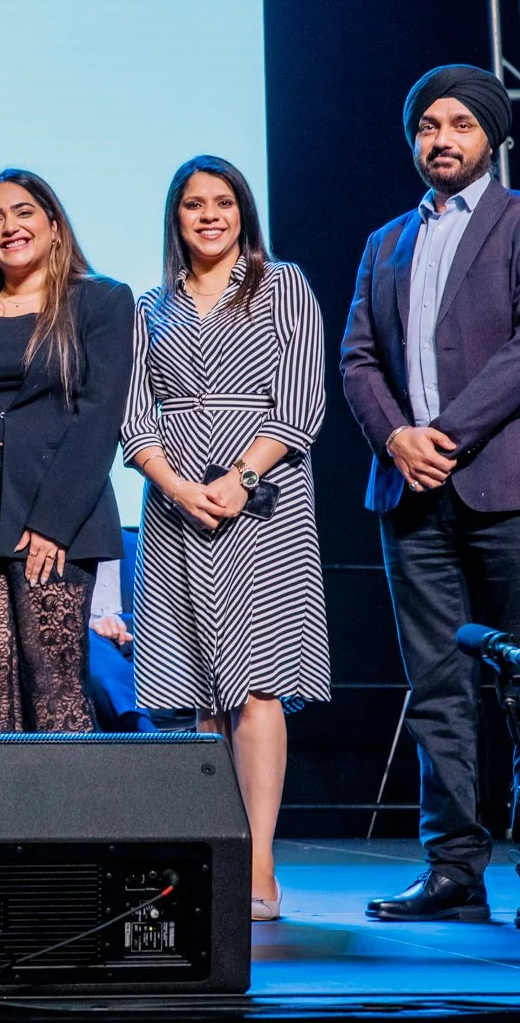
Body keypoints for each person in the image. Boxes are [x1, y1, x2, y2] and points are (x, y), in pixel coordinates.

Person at [341, 64, 520, 928]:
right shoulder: (383, 242)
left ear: (490, 136)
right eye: (426, 126)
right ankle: (452, 870)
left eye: (458, 125)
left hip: (511, 486)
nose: (440, 139)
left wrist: (441, 434)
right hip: (410, 493)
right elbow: (357, 358)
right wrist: (396, 438)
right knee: (437, 689)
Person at [122, 155, 329, 922]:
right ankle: (214, 849)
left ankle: (260, 861)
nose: (208, 215)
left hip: (264, 504)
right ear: (174, 219)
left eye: (222, 202)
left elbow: (304, 399)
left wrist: (239, 476)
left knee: (257, 682)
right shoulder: (151, 306)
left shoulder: (283, 284)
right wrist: (175, 485)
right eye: (191, 205)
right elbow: (134, 416)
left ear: (242, 210)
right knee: (200, 692)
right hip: (177, 506)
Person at [0, 169, 133, 733]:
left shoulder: (100, 299)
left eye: (24, 212)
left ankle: (72, 823)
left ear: (54, 225)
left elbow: (100, 417)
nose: (10, 226)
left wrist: (53, 523)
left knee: (55, 689)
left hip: (58, 515)